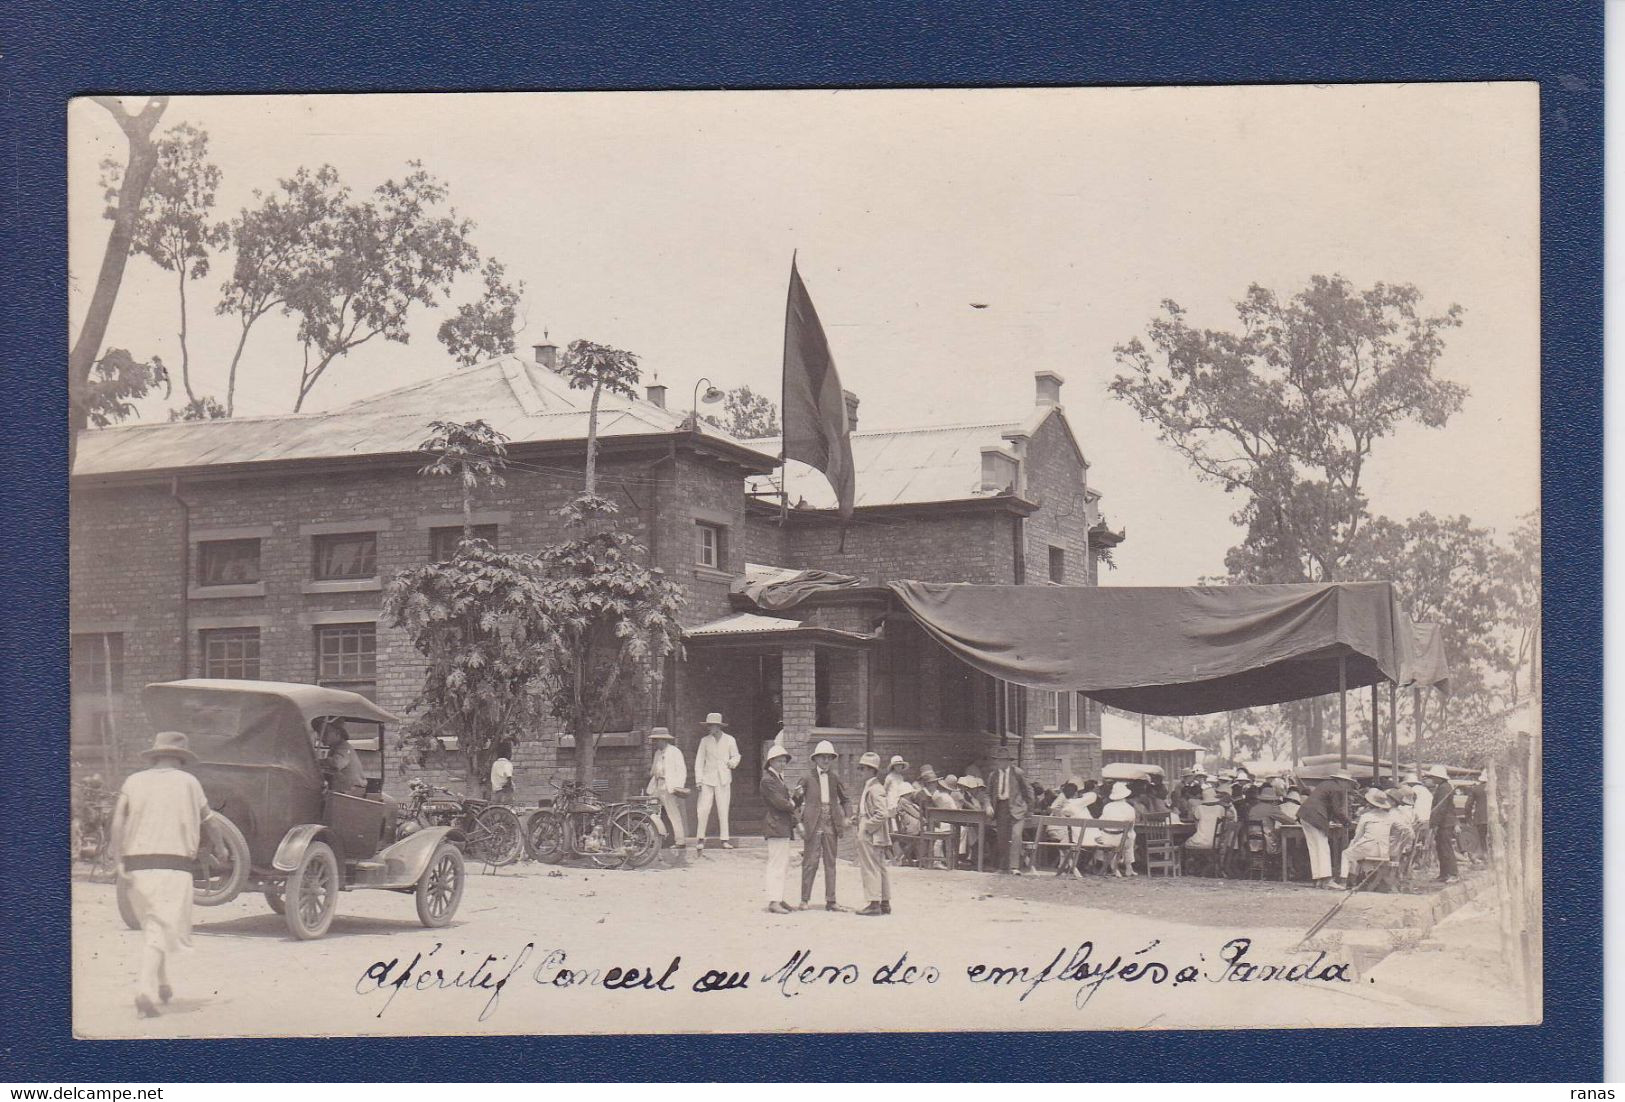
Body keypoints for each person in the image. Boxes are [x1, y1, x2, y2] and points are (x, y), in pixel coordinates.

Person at [110, 731, 215, 1018]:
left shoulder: (134, 781)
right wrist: (220, 848)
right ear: (181, 758)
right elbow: (210, 820)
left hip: (136, 866)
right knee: (160, 926)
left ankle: (163, 983)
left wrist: (118, 859)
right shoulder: (189, 782)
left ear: (155, 755)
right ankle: (144, 988)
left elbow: (118, 819)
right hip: (174, 865)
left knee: (154, 927)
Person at [798, 740, 850, 910]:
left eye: (829, 758)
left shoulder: (835, 778)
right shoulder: (807, 777)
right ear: (816, 759)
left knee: (830, 862)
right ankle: (804, 899)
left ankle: (831, 900)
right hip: (813, 823)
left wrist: (848, 817)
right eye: (822, 757)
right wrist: (798, 823)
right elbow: (795, 801)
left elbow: (845, 799)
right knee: (810, 861)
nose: (826, 761)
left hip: (831, 823)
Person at [693, 712, 741, 851]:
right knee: (703, 809)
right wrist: (699, 780)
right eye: (708, 726)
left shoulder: (729, 740)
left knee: (723, 808)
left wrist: (732, 763)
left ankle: (724, 839)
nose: (709, 728)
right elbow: (699, 761)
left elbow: (736, 756)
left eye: (711, 726)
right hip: (708, 779)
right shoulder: (705, 741)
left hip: (724, 779)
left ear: (718, 727)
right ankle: (700, 838)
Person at [1298, 771, 1356, 888]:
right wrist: (1346, 822)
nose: (1348, 786)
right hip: (1316, 817)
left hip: (1304, 815)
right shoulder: (1337, 789)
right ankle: (1327, 879)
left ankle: (1318, 879)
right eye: (1348, 783)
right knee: (1323, 847)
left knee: (1314, 847)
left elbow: (1327, 805)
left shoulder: (1326, 784)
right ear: (1343, 781)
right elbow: (1337, 810)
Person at [854, 752, 894, 916]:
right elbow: (869, 809)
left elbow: (882, 813)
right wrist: (857, 818)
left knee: (870, 867)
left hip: (872, 833)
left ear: (871, 770)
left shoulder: (875, 788)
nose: (860, 771)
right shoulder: (871, 787)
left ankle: (874, 903)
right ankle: (884, 902)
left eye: (863, 768)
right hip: (873, 830)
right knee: (879, 866)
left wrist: (867, 826)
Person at [759, 743, 797, 913]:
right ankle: (773, 900)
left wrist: (796, 798)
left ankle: (778, 898)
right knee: (776, 864)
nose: (782, 764)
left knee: (782, 864)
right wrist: (792, 802)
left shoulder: (778, 779)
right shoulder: (768, 780)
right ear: (771, 762)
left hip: (782, 825)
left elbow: (786, 802)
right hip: (775, 824)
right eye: (779, 761)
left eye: (784, 761)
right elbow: (779, 803)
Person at [987, 744, 1033, 875]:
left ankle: (1015, 867)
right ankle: (1003, 867)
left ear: (1009, 761)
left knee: (1016, 836)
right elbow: (987, 794)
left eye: (1003, 760)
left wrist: (1029, 810)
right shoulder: (993, 775)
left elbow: (1028, 791)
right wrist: (988, 805)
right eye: (998, 760)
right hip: (1001, 808)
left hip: (1017, 808)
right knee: (1002, 838)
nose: (1000, 762)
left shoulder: (1017, 773)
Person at [646, 727, 690, 864]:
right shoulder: (658, 753)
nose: (655, 743)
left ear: (663, 739)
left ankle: (680, 841)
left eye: (657, 740)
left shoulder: (675, 752)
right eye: (654, 740)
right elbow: (653, 770)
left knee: (673, 813)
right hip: (658, 785)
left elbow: (682, 771)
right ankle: (652, 839)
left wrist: (677, 786)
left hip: (669, 786)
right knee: (652, 812)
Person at [1339, 788, 1396, 881]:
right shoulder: (1389, 817)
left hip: (1369, 847)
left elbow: (1358, 835)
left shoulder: (1366, 816)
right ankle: (1368, 874)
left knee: (1346, 854)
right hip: (1383, 849)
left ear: (1369, 803)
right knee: (1361, 855)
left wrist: (1353, 844)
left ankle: (1344, 880)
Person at [1082, 781, 1138, 876]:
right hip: (1121, 840)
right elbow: (1131, 826)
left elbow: (1101, 822)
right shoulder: (1129, 808)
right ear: (1125, 795)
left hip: (1107, 839)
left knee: (1115, 842)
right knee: (1131, 838)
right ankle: (1128, 867)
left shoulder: (1107, 806)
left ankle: (1114, 867)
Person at [1427, 764, 1461, 884]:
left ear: (1439, 777)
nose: (1432, 779)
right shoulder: (1443, 787)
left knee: (1446, 848)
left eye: (1433, 777)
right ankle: (1444, 873)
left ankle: (1453, 873)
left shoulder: (1444, 788)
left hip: (1445, 823)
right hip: (1444, 822)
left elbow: (1440, 808)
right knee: (1440, 848)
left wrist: (1434, 823)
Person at [318, 718, 366, 796]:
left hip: (350, 792)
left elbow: (337, 763)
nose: (321, 736)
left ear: (337, 733)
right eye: (319, 733)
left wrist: (317, 762)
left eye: (325, 733)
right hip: (345, 790)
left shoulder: (343, 747)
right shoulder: (335, 748)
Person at [489, 740, 515, 806]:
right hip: (505, 793)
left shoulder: (495, 764)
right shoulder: (507, 764)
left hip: (496, 792)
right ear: (508, 753)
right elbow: (509, 779)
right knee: (508, 810)